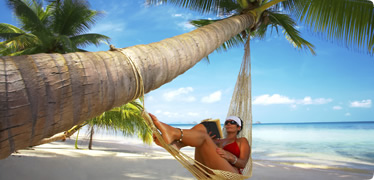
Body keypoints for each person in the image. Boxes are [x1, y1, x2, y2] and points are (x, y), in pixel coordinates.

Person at [149, 113, 251, 174]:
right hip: (207, 171)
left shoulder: (242, 141)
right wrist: (211, 143)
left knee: (204, 135)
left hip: (232, 174)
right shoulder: (218, 140)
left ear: (239, 127)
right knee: (205, 129)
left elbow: (243, 164)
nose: (229, 123)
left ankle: (174, 135)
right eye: (227, 122)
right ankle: (177, 144)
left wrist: (231, 157)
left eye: (233, 122)